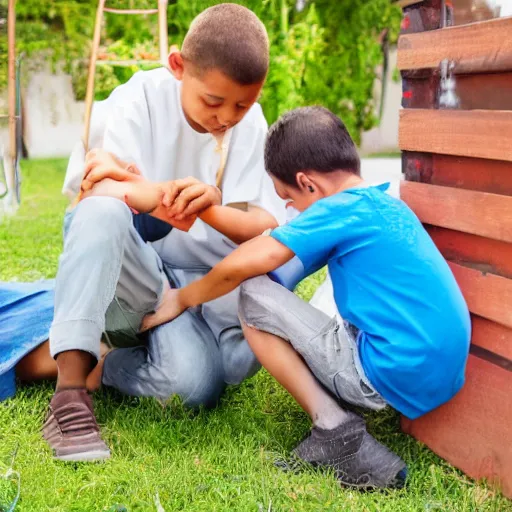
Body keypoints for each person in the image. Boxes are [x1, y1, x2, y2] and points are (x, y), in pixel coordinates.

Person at [127, 106, 471, 489]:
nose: (289, 210)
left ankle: (334, 430)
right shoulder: (380, 204)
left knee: (253, 293)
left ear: (309, 184)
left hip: (385, 375)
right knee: (271, 275)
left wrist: (183, 298)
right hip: (438, 376)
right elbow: (285, 264)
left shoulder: (338, 209)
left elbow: (245, 266)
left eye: (287, 198)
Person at [43, 3, 286, 462]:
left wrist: (208, 205)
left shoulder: (251, 126)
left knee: (194, 387)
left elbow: (263, 225)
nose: (226, 117)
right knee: (103, 210)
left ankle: (105, 358)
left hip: (201, 287)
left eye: (242, 103)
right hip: (143, 275)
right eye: (213, 101)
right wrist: (155, 193)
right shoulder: (139, 98)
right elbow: (96, 191)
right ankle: (70, 395)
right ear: (178, 66)